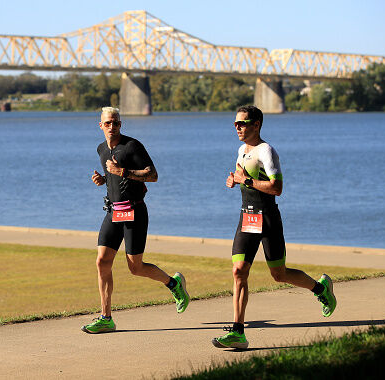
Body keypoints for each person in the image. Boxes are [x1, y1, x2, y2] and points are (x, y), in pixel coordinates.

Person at [212, 105, 337, 349]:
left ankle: (320, 289)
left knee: (279, 275)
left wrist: (245, 180)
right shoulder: (242, 149)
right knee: (239, 271)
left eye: (243, 123)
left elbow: (277, 188)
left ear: (256, 125)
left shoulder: (267, 151)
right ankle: (238, 332)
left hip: (268, 219)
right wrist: (233, 179)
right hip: (247, 217)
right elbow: (240, 174)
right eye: (235, 123)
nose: (237, 127)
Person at [81, 107, 190, 334]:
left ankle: (174, 284)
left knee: (136, 267)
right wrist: (104, 179)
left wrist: (122, 172)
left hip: (135, 212)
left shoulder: (132, 146)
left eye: (116, 123)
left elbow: (153, 175)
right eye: (108, 123)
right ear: (100, 125)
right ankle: (106, 317)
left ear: (121, 125)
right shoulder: (101, 149)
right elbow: (113, 175)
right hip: (113, 211)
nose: (112, 127)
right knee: (102, 261)